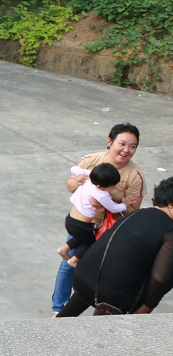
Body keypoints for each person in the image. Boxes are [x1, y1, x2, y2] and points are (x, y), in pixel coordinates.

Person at [52, 123, 144, 313]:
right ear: (110, 142)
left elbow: (133, 212)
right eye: (122, 144)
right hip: (85, 223)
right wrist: (77, 183)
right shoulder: (91, 160)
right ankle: (58, 308)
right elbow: (70, 184)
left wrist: (111, 199)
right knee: (69, 265)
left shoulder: (135, 176)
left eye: (132, 146)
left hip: (111, 231)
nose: (126, 150)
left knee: (101, 271)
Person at [57, 177, 173, 317]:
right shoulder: (170, 230)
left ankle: (59, 321)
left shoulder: (136, 213)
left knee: (83, 299)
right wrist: (146, 307)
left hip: (82, 279)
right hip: (112, 299)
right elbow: (160, 278)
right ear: (171, 205)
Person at [59, 163, 127, 267]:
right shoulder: (102, 194)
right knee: (91, 240)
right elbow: (113, 208)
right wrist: (125, 205)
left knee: (83, 237)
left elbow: (74, 169)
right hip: (81, 225)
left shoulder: (89, 177)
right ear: (100, 186)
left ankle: (64, 249)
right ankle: (74, 260)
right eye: (112, 186)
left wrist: (79, 176)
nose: (114, 188)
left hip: (70, 219)